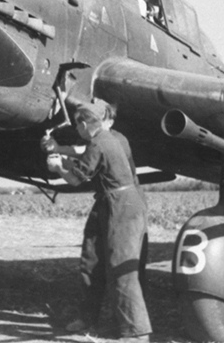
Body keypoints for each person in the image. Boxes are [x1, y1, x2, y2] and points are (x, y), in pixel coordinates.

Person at [43, 102, 151, 341]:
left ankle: (136, 332)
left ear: (83, 124)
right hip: (109, 201)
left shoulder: (102, 142)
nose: (76, 130)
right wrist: (62, 152)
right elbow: (87, 159)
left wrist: (58, 166)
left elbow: (74, 179)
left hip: (121, 204)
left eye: (77, 125)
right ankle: (89, 317)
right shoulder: (107, 139)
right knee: (91, 259)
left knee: (121, 267)